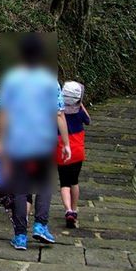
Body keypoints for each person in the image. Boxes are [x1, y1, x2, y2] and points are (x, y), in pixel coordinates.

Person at [0, 33, 70, 250]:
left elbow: (4, 113)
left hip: (17, 139)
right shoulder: (50, 81)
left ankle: (19, 236)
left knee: (19, 186)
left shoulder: (10, 80)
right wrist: (65, 143)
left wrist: (0, 141)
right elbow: (58, 114)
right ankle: (40, 225)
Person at [57, 80, 90, 228]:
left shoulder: (59, 111)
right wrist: (81, 105)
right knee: (74, 182)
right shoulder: (80, 112)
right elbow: (88, 120)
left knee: (64, 182)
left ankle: (68, 209)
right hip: (77, 151)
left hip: (61, 149)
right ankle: (75, 209)